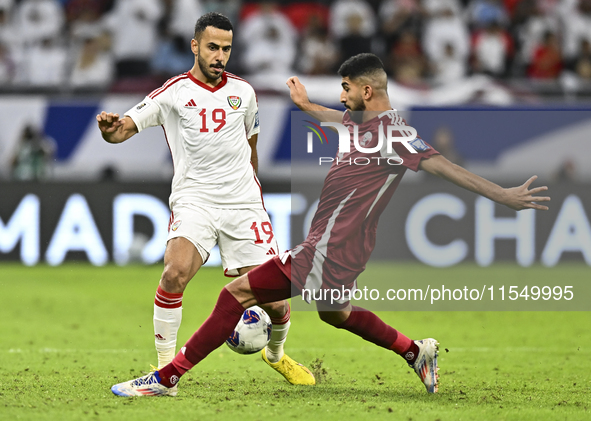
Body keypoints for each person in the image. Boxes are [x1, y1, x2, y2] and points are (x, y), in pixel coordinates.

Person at [110, 53, 550, 397]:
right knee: (334, 313)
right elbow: (342, 120)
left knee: (235, 293)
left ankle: (166, 377)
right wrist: (306, 105)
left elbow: (445, 167)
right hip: (346, 248)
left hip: (330, 248)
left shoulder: (396, 135)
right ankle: (416, 352)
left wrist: (504, 197)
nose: (341, 98)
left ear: (366, 89)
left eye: (344, 89)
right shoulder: (366, 124)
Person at [97, 12, 315, 396]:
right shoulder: (173, 92)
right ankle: (164, 373)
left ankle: (277, 353)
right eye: (213, 47)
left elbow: (251, 150)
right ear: (195, 46)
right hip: (195, 198)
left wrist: (250, 194)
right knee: (174, 273)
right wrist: (109, 129)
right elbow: (121, 132)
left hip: (244, 203)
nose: (220, 55)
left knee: (277, 302)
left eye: (226, 48)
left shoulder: (245, 93)